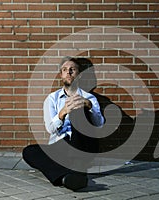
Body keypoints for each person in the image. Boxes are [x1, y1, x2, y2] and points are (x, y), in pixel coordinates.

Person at [22, 57, 104, 191]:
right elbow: (50, 129)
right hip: (61, 145)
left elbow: (100, 125)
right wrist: (62, 113)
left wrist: (89, 107)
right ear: (61, 75)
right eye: (65, 70)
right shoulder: (52, 98)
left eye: (73, 70)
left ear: (79, 74)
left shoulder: (90, 98)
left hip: (84, 145)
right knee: (29, 152)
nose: (69, 73)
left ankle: (74, 167)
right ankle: (67, 178)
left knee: (78, 110)